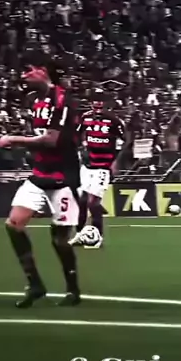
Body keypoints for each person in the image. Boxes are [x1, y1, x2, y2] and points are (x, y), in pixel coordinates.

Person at [0, 63, 81, 308]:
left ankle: (73, 290)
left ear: (43, 72)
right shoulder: (34, 100)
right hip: (39, 174)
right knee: (13, 224)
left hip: (64, 178)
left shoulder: (63, 100)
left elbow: (51, 140)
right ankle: (35, 284)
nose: (24, 75)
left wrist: (13, 139)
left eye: (29, 70)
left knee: (60, 240)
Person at [70, 88, 128, 248]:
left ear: (105, 103)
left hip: (102, 167)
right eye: (95, 100)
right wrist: (82, 147)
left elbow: (125, 140)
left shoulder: (113, 120)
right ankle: (80, 234)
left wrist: (116, 161)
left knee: (93, 203)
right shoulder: (85, 117)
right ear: (91, 102)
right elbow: (77, 135)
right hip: (87, 166)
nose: (97, 103)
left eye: (101, 100)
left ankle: (98, 237)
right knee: (82, 201)